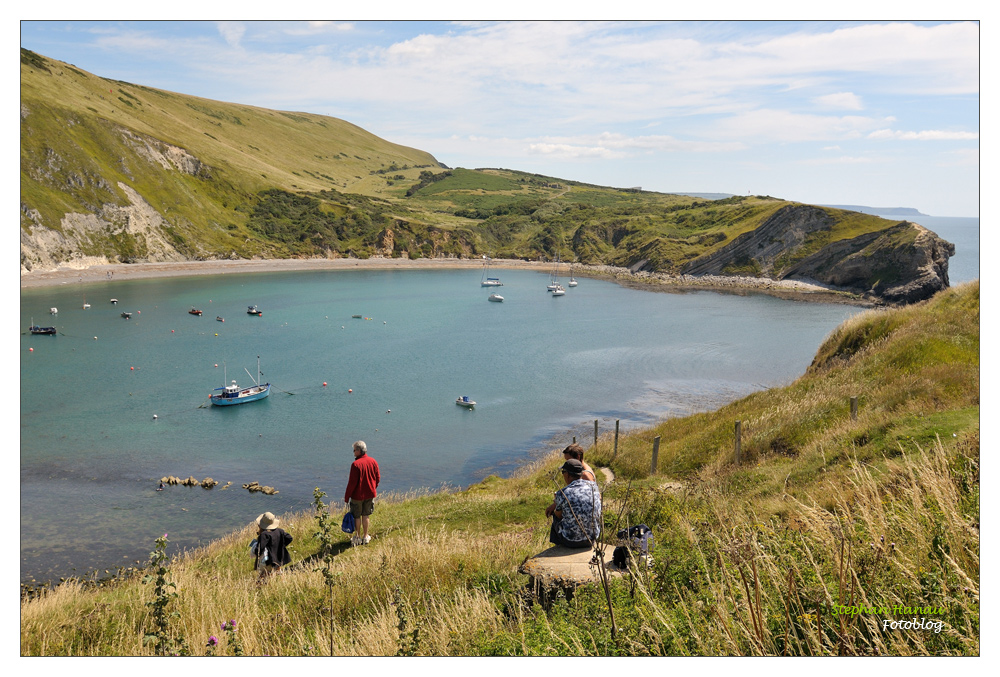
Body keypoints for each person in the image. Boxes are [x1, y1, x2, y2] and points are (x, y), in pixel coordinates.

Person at [545, 458, 602, 549]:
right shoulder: (593, 486)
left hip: (571, 541)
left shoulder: (563, 493)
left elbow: (559, 515)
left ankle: (558, 548)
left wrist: (558, 504)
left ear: (567, 474)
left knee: (555, 516)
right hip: (592, 538)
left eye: (563, 472)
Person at [344, 440, 380, 545]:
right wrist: (373, 487)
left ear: (359, 451)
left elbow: (352, 483)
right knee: (366, 515)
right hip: (370, 494)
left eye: (354, 450)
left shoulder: (355, 465)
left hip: (357, 496)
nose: (353, 452)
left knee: (356, 516)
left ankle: (357, 537)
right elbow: (377, 478)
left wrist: (347, 497)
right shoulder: (373, 461)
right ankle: (365, 536)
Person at [252, 511, 292, 579]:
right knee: (277, 571)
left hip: (269, 559)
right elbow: (289, 538)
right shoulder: (280, 531)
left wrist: (254, 551)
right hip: (278, 557)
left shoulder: (264, 535)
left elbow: (260, 549)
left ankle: (259, 588)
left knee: (263, 575)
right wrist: (281, 546)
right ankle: (283, 583)